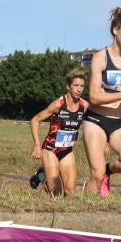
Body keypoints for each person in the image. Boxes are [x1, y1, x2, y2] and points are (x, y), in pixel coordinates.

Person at [83, 7, 121, 196]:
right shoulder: (100, 57)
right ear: (115, 30)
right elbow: (93, 96)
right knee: (96, 174)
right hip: (96, 120)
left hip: (120, 122)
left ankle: (110, 170)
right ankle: (86, 210)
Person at [28, 68, 89, 196]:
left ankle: (44, 174)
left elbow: (97, 122)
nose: (79, 89)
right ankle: (41, 176)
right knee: (56, 193)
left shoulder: (84, 106)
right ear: (68, 86)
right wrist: (37, 145)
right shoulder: (58, 104)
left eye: (82, 86)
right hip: (50, 148)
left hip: (66, 150)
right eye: (76, 85)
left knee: (70, 191)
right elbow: (35, 120)